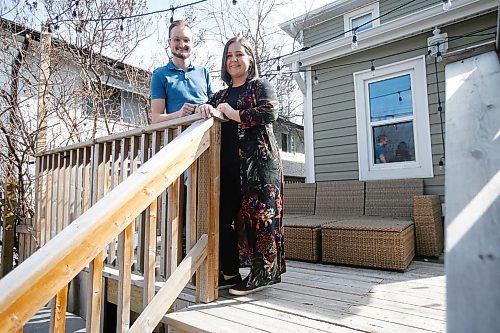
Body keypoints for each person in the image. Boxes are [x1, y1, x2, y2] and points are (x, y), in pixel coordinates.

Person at [196, 36, 285, 296]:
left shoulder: (259, 86)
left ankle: (261, 275)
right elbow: (206, 110)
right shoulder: (220, 95)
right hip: (227, 168)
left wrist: (235, 115)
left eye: (239, 54)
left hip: (259, 167)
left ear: (250, 59)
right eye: (229, 56)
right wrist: (204, 107)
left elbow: (270, 112)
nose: (233, 60)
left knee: (261, 220)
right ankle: (231, 273)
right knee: (220, 219)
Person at [150, 20, 213, 123]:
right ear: (169, 43)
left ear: (193, 43)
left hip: (207, 134)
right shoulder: (160, 75)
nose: (182, 44)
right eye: (177, 40)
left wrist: (206, 107)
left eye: (186, 40)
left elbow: (215, 105)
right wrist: (179, 114)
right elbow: (156, 118)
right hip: (180, 136)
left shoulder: (204, 72)